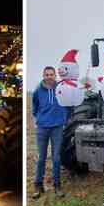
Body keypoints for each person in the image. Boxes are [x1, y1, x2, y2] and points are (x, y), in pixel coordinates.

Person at [32, 66, 68, 199]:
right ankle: (38, 185)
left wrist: (63, 119)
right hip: (42, 128)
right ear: (43, 76)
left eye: (51, 74)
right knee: (41, 157)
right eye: (47, 74)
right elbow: (34, 108)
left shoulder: (60, 89)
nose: (49, 77)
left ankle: (57, 185)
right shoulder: (37, 91)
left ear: (55, 76)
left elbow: (67, 104)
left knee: (56, 158)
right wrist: (39, 119)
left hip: (57, 127)